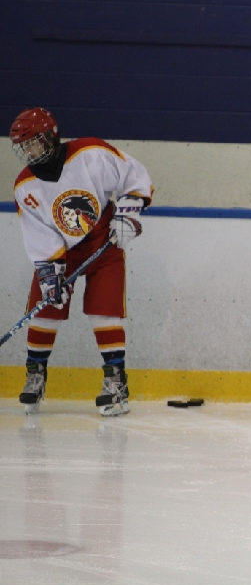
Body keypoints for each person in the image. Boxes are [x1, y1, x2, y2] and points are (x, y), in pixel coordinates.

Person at [10, 107, 154, 416]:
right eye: (24, 146)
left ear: (50, 137)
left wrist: (129, 211)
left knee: (105, 312)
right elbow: (39, 235)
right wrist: (50, 273)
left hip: (104, 242)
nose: (29, 152)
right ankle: (36, 372)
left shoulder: (91, 153)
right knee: (45, 309)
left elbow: (133, 174)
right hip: (62, 251)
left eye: (33, 143)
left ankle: (116, 382)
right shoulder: (25, 186)